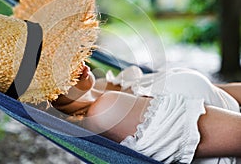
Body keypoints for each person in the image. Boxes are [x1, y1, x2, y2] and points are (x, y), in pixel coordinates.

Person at [52, 62, 241, 164]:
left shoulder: (102, 87)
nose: (70, 58)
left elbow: (215, 93)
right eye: (50, 67)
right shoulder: (106, 112)